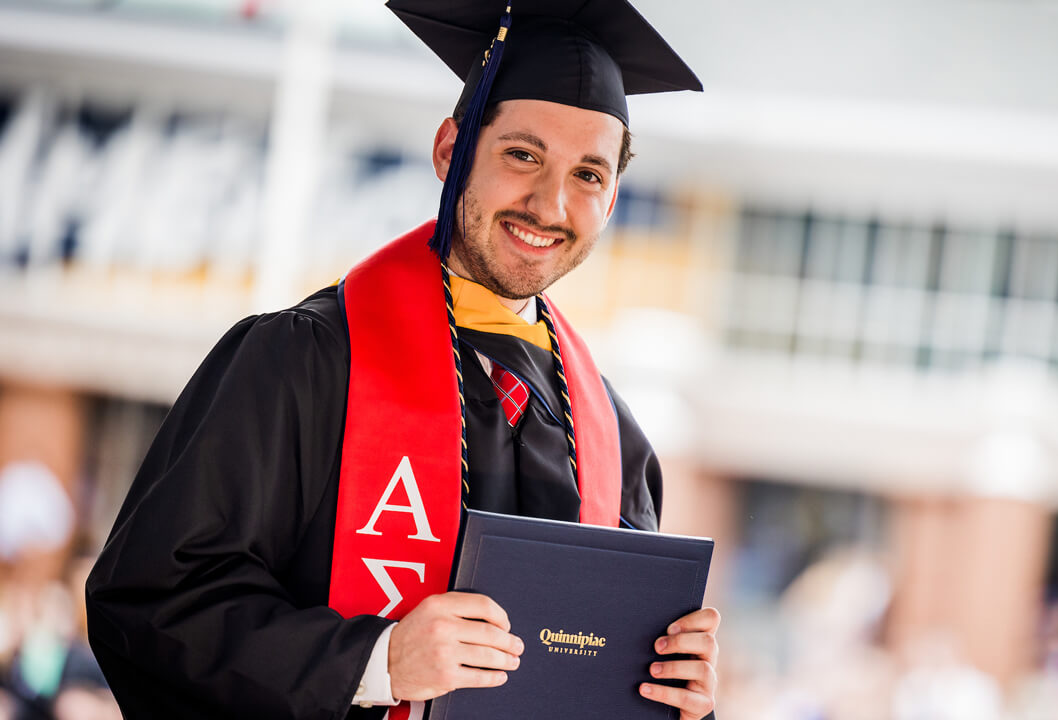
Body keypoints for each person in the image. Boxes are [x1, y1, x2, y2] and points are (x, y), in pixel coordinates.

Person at [84, 1, 719, 718]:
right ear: (451, 150)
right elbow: (149, 604)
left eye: (589, 176)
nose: (550, 204)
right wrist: (373, 663)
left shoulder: (615, 439)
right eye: (523, 155)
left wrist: (673, 697)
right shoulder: (301, 362)